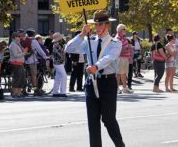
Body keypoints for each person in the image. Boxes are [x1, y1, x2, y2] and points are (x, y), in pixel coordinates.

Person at [65, 10, 125, 147]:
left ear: (107, 25)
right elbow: (69, 48)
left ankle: (120, 145)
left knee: (108, 119)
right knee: (93, 121)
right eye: (95, 25)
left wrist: (96, 66)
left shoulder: (115, 43)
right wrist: (81, 34)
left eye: (100, 25)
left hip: (107, 82)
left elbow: (110, 57)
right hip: (91, 83)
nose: (97, 28)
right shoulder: (89, 41)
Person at [24, 29, 48, 96]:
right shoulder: (34, 41)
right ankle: (36, 91)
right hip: (32, 60)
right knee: (33, 76)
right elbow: (39, 50)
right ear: (34, 34)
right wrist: (45, 56)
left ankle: (23, 90)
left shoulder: (24, 39)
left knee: (25, 75)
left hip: (24, 60)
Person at [9, 32, 28, 97]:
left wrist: (23, 50)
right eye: (18, 36)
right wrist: (24, 53)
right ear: (15, 37)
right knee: (17, 78)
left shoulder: (17, 44)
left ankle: (19, 93)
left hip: (20, 63)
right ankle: (14, 93)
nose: (20, 38)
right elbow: (15, 55)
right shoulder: (13, 44)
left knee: (22, 78)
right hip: (16, 63)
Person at [116, 24, 133, 94]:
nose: (125, 30)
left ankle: (124, 88)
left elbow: (125, 47)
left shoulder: (123, 38)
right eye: (124, 29)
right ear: (120, 30)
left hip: (125, 58)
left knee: (123, 73)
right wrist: (128, 48)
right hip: (120, 58)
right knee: (118, 74)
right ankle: (116, 88)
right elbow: (119, 50)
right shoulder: (118, 38)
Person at [52, 32, 67, 97]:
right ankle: (62, 92)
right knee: (64, 76)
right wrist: (64, 51)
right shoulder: (57, 45)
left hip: (57, 62)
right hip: (59, 63)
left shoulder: (56, 44)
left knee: (58, 77)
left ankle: (55, 92)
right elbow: (60, 54)